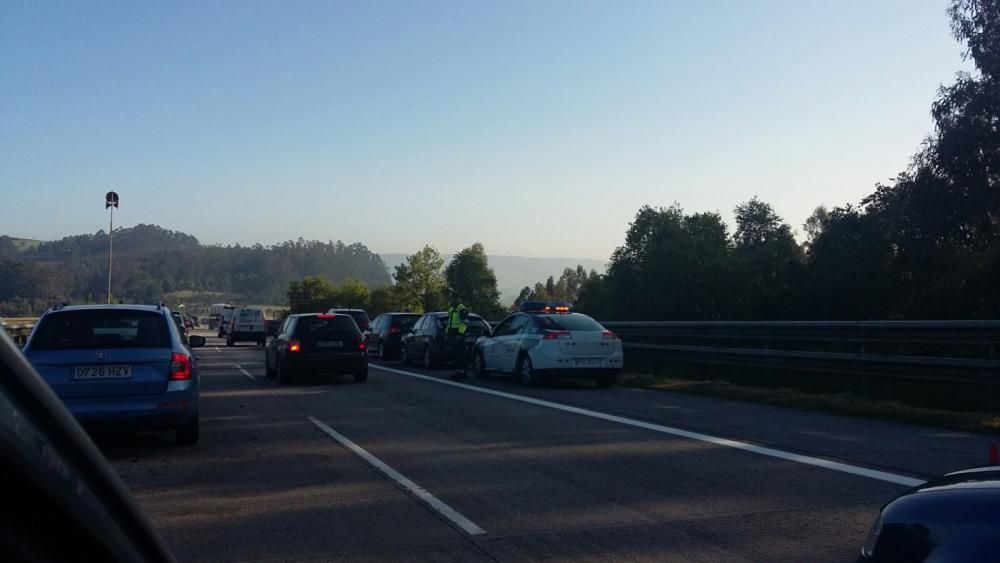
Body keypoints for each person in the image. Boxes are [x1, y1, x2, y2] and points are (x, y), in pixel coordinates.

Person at [446, 301, 469, 378]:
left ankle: (462, 372)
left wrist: (460, 334)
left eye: (454, 298)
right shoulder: (451, 309)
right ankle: (457, 371)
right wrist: (447, 332)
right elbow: (450, 322)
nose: (452, 300)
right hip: (452, 333)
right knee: (455, 353)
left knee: (460, 353)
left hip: (458, 333)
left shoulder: (462, 309)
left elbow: (465, 323)